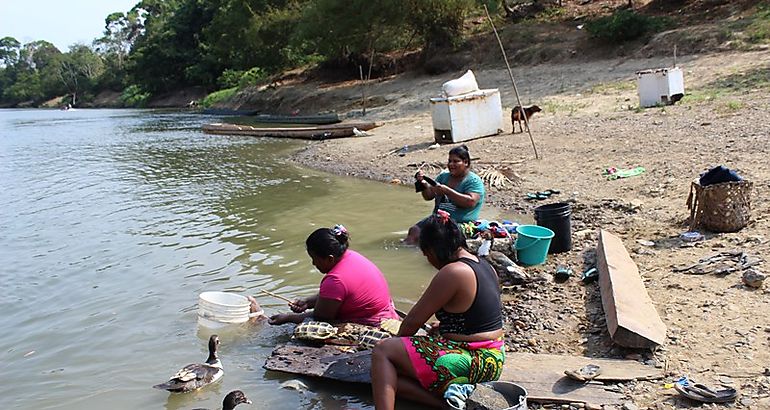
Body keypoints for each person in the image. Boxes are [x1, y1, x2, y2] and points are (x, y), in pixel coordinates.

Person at [371, 210, 505, 409]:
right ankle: (445, 405)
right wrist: (444, 327)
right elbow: (477, 316)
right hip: (494, 357)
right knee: (386, 378)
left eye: (426, 255)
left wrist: (396, 343)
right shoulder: (484, 265)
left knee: (383, 352)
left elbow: (412, 322)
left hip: (473, 361)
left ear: (432, 251)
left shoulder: (452, 272)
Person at [266, 224, 400, 326]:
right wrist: (307, 302)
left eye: (315, 259)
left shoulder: (335, 280)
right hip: (387, 315)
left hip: (372, 324)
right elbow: (338, 296)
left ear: (330, 258)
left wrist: (288, 318)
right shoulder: (352, 256)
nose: (313, 263)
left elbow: (321, 317)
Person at [404, 145, 484, 245]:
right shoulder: (443, 177)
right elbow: (428, 196)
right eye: (449, 161)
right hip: (437, 220)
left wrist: (447, 191)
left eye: (456, 161)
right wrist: (423, 184)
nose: (451, 164)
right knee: (414, 231)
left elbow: (470, 202)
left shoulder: (473, 181)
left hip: (460, 223)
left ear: (466, 162)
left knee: (436, 237)